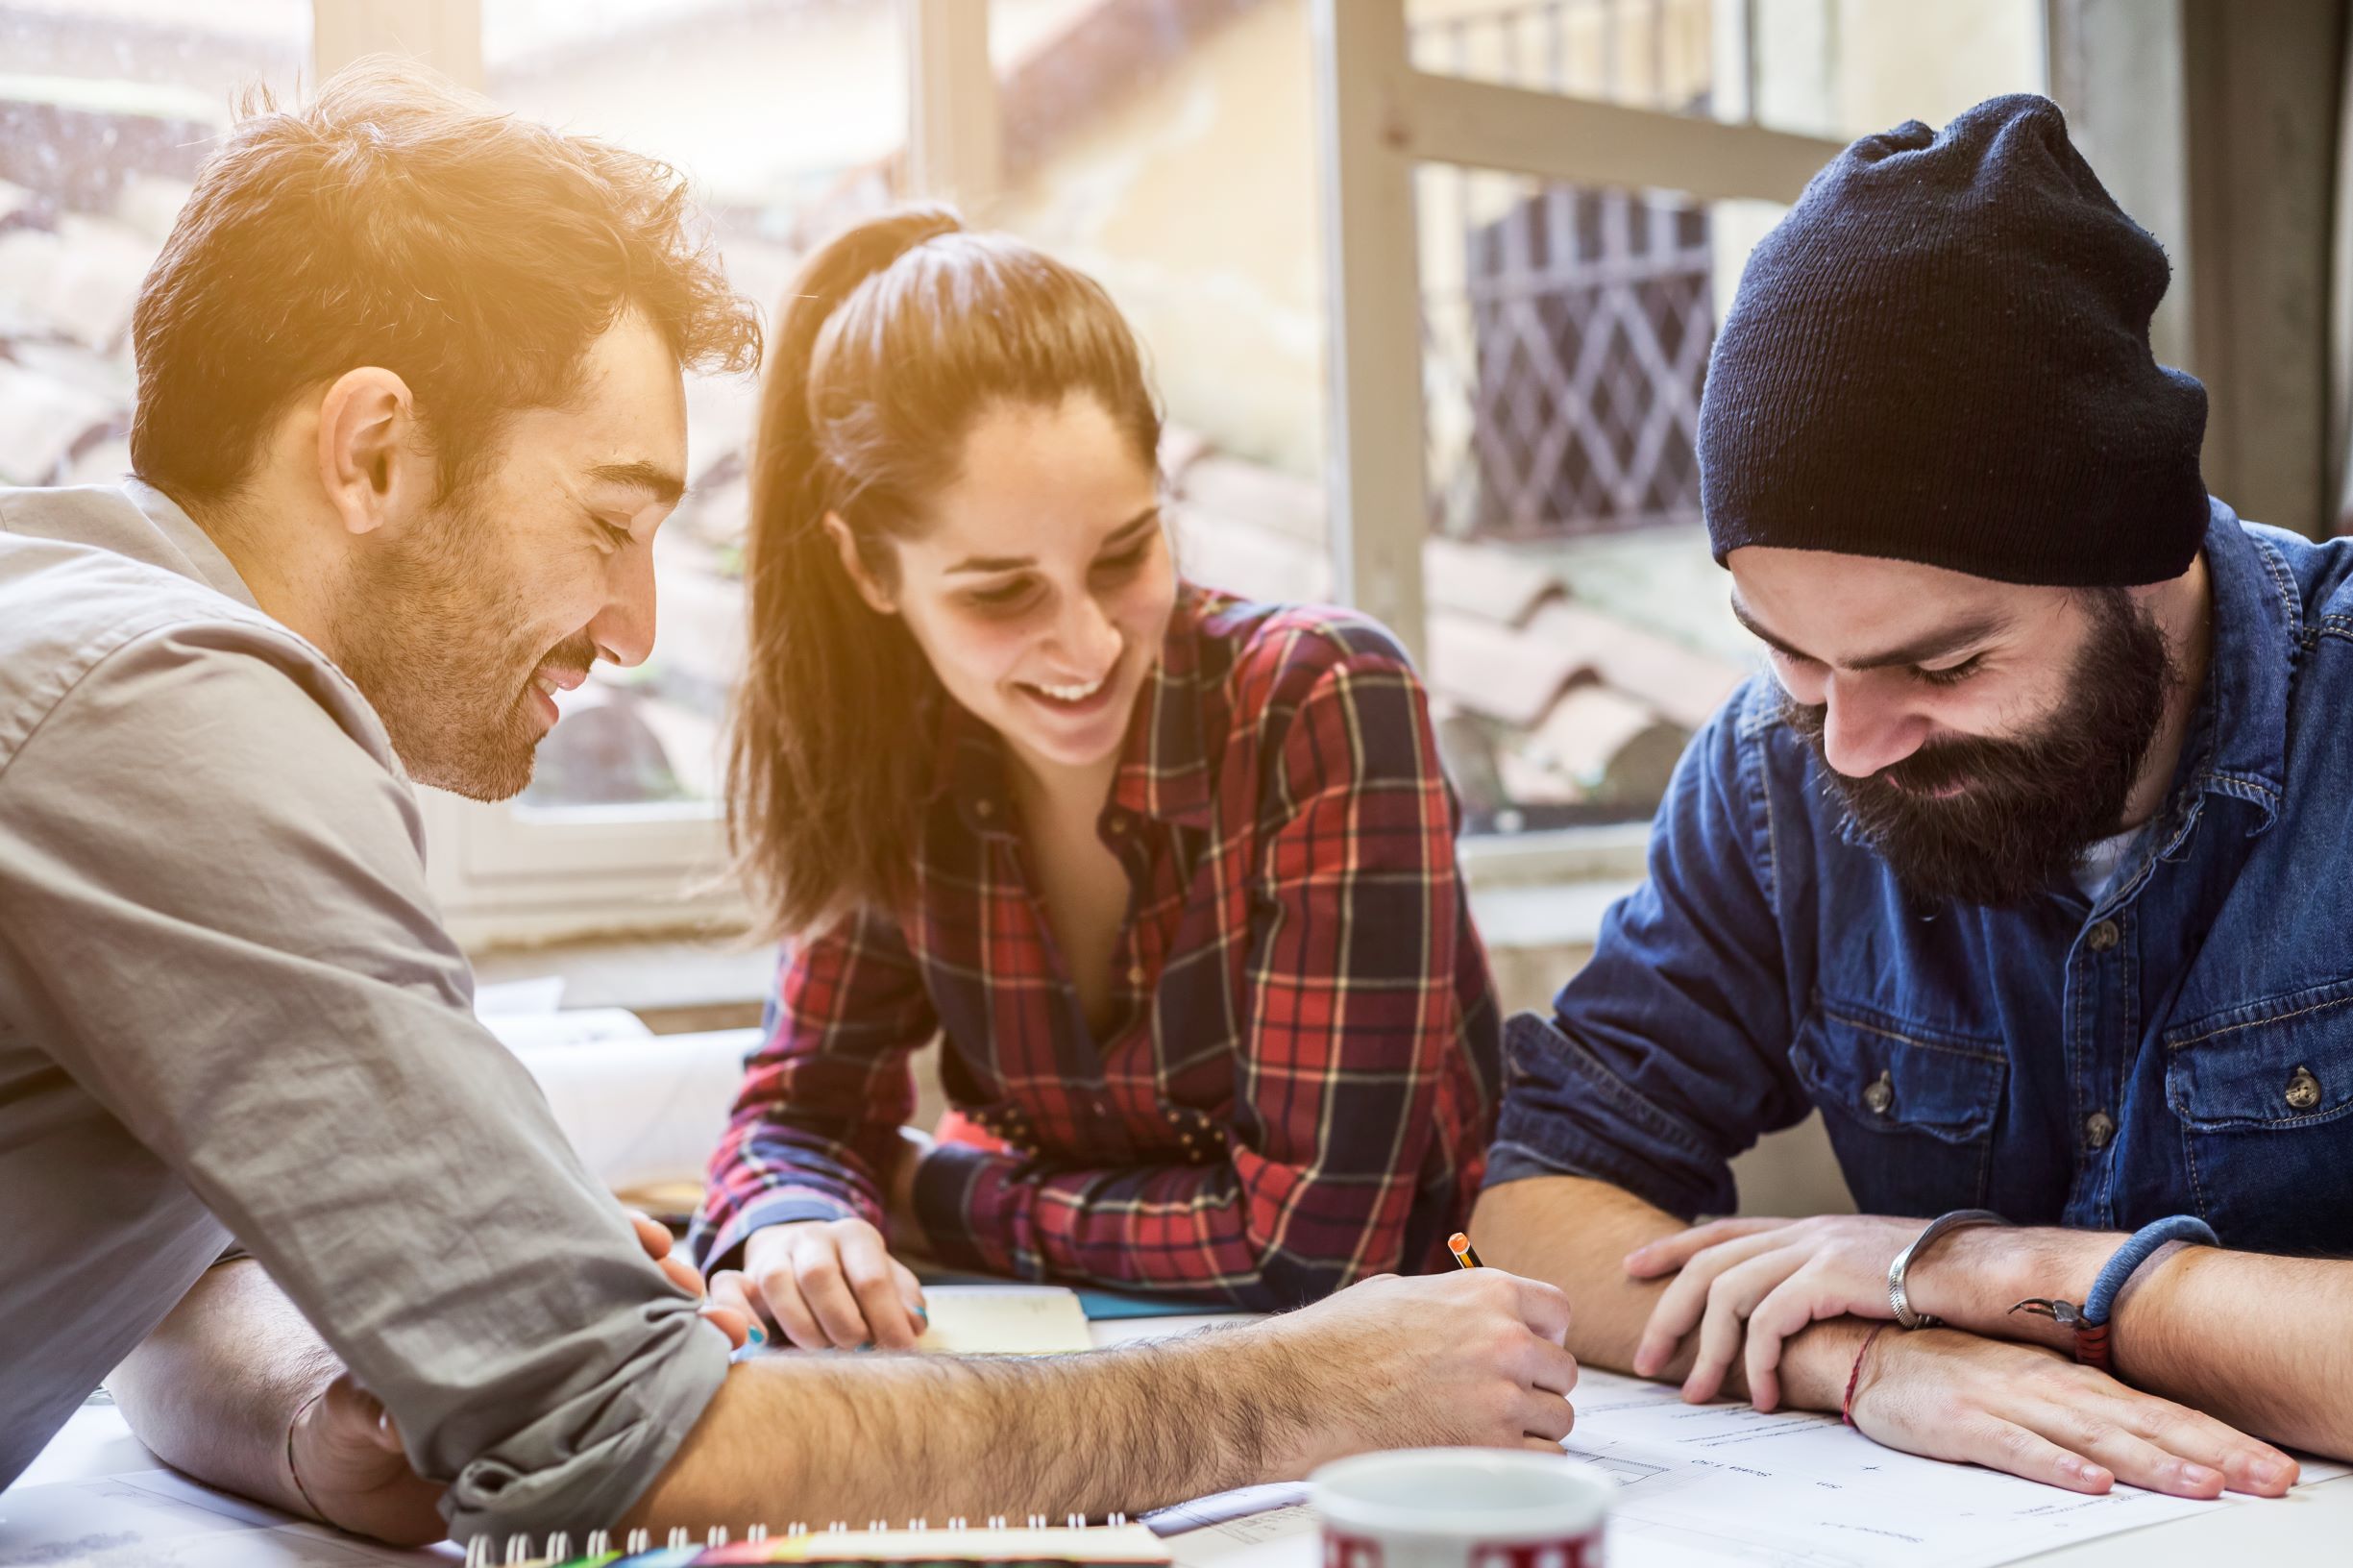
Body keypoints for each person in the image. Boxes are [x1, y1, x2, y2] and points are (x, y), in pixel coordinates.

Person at [0, 65, 1579, 1550]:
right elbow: (616, 1424)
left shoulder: (93, 636)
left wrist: (342, 1408)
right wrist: (1292, 1390)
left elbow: (160, 1286)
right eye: (611, 519)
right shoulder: (165, 710)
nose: (634, 624)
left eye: (1120, 552)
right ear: (372, 450)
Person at [1467, 93, 2353, 1502]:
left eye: (1938, 662)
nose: (1853, 746)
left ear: (2139, 558)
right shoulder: (1773, 770)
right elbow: (1530, 1208)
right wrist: (1866, 1357)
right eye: (1794, 655)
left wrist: (1988, 1273)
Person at [692, 208, 1502, 1348]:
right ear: (870, 569)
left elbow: (1312, 1252)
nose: (1085, 647)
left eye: (1124, 555)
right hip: (1090, 1360)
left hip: (1423, 1346)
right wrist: (794, 1222)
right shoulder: (889, 754)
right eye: (997, 594)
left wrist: (932, 1189)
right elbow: (793, 1118)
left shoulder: (1324, 699)